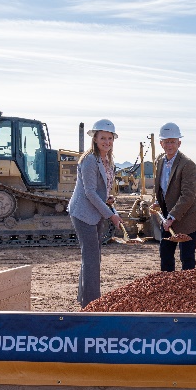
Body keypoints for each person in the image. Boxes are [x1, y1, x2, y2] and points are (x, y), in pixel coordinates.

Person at [68, 119, 123, 307]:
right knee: (91, 258)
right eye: (103, 138)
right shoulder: (89, 160)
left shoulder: (107, 159)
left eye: (110, 138)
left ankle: (86, 299)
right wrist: (111, 215)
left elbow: (100, 189)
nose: (106, 141)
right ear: (95, 139)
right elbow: (89, 192)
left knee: (92, 256)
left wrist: (108, 199)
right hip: (83, 213)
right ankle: (92, 303)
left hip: (96, 212)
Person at [153, 122, 196, 271]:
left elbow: (188, 195)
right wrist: (157, 202)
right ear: (161, 143)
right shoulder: (159, 161)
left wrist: (172, 217)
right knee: (165, 254)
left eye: (172, 141)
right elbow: (162, 188)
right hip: (167, 217)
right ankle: (169, 289)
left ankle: (188, 291)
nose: (169, 145)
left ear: (179, 143)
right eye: (166, 142)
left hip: (187, 218)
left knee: (187, 257)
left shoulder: (187, 165)